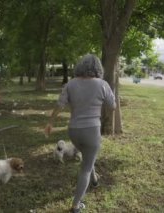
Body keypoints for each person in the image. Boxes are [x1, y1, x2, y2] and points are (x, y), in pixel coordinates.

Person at [45, 54, 116, 213]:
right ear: (98, 68)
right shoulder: (103, 84)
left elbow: (60, 105)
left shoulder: (71, 84)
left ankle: (95, 180)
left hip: (73, 131)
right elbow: (112, 106)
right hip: (92, 131)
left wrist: (50, 122)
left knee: (87, 158)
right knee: (85, 167)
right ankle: (76, 206)